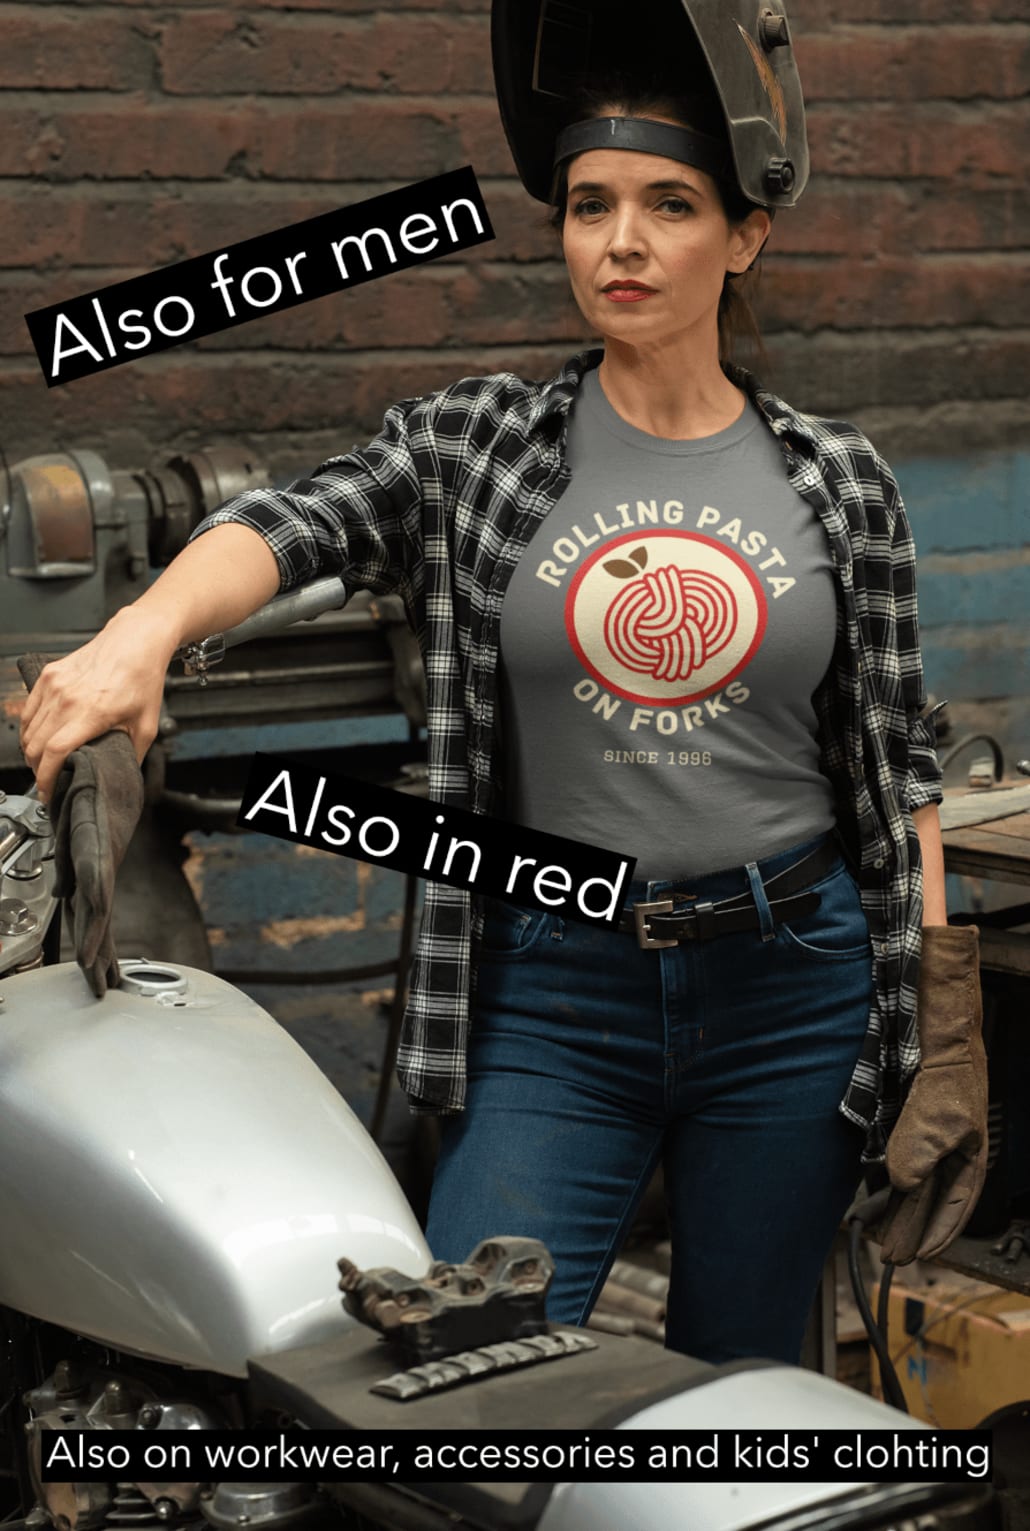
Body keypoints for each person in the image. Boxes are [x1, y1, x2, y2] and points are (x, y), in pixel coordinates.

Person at [20, 63, 957, 1365]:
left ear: (745, 236)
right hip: (555, 989)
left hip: (789, 981)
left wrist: (939, 1010)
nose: (620, 240)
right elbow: (297, 522)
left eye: (669, 205)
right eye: (588, 206)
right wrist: (143, 631)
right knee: (466, 1367)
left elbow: (894, 760)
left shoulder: (836, 476)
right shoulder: (482, 442)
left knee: (745, 1383)